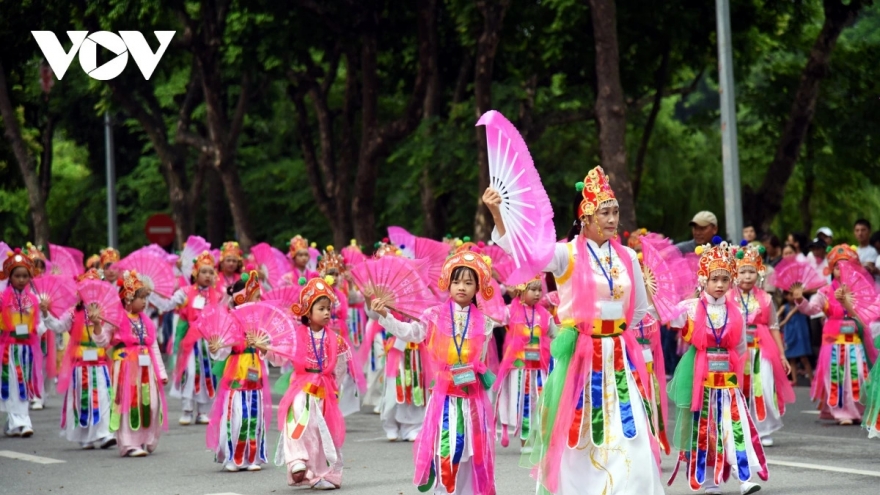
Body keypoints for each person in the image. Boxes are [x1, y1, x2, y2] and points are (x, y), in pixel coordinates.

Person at [487, 166, 662, 495]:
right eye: (604, 213)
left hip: (619, 356)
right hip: (581, 355)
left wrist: (616, 332)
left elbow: (639, 308)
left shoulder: (627, 256)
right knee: (577, 432)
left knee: (632, 429)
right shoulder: (565, 254)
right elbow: (526, 253)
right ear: (585, 216)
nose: (612, 219)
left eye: (615, 212)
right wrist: (498, 214)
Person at [371, 249, 499, 495]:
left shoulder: (485, 322)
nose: (461, 286)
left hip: (472, 398)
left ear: (477, 288)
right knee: (447, 448)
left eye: (468, 282)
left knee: (472, 450)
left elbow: (482, 359)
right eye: (456, 281)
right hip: (445, 397)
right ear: (448, 284)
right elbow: (410, 333)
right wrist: (385, 315)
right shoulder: (433, 316)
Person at [667, 240, 767, 495]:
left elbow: (741, 347)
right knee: (705, 429)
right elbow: (667, 315)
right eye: (715, 279)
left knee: (734, 425)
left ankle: (743, 477)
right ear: (704, 280)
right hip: (701, 378)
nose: (720, 284)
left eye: (725, 279)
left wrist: (731, 366)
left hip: (727, 379)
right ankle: (710, 482)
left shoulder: (735, 312)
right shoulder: (691, 308)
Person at [275, 277, 350, 490]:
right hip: (301, 384)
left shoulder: (335, 339)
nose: (327, 313)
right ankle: (297, 460)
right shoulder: (295, 336)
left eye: (329, 308)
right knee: (297, 413)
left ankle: (323, 474)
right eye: (321, 308)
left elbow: (340, 368)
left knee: (321, 428)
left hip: (325, 387)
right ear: (308, 312)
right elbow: (279, 356)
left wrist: (337, 388)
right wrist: (264, 349)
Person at [793, 244, 878, 425]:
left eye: (846, 265)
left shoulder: (860, 291)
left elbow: (869, 313)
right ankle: (842, 412)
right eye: (838, 266)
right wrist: (800, 299)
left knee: (858, 377)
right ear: (832, 269)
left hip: (855, 341)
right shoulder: (824, 292)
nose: (842, 270)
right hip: (833, 343)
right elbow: (811, 309)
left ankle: (858, 410)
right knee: (837, 378)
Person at [93, 270, 168, 457]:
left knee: (150, 403)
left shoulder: (147, 322)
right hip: (125, 367)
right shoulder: (115, 319)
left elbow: (154, 347)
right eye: (141, 298)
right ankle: (129, 443)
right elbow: (102, 341)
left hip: (146, 368)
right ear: (128, 298)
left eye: (146, 298)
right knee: (128, 404)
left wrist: (162, 373)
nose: (144, 302)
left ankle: (145, 439)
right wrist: (96, 325)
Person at [205, 270, 271, 472]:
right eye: (257, 296)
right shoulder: (230, 320)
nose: (261, 300)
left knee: (255, 414)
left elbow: (268, 348)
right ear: (244, 298)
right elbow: (222, 350)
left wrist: (261, 345)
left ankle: (253, 457)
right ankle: (233, 457)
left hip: (255, 371)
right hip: (236, 373)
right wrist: (216, 348)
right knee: (235, 415)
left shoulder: (261, 322)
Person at [730, 243, 794, 447]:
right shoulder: (728, 297)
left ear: (758, 274)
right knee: (738, 388)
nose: (747, 276)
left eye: (751, 272)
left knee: (764, 387)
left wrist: (782, 356)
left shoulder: (766, 299)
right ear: (735, 273)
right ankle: (737, 428)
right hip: (736, 350)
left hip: (761, 348)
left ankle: (764, 429)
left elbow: (774, 327)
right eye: (743, 271)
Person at [44, 269, 116, 449]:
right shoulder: (71, 313)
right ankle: (85, 436)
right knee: (83, 400)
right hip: (80, 366)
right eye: (86, 289)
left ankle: (104, 433)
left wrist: (99, 323)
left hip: (99, 364)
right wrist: (46, 314)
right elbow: (58, 327)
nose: (91, 294)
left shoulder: (104, 313)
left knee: (103, 397)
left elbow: (105, 340)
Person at [152, 252, 225, 425]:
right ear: (195, 274)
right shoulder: (184, 292)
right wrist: (151, 294)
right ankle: (187, 409)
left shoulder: (218, 295)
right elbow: (166, 305)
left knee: (207, 374)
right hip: (190, 341)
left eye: (210, 272)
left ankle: (202, 411)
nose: (208, 275)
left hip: (208, 341)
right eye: (204, 272)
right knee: (190, 373)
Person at [495, 276, 557, 453]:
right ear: (521, 291)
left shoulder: (545, 314)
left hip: (539, 367)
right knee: (522, 403)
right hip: (519, 367)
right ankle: (524, 440)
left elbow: (555, 333)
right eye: (533, 290)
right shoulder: (510, 311)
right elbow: (493, 319)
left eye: (539, 290)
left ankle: (540, 439)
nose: (538, 294)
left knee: (541, 402)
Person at [0, 250, 44, 437]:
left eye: (25, 276)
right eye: (17, 276)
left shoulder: (34, 300)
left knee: (24, 383)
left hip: (27, 348)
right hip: (9, 348)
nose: (21, 279)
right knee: (11, 383)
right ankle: (20, 422)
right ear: (10, 277)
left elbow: (40, 325)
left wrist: (43, 316)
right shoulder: (2, 298)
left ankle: (17, 422)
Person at [778, 291, 812, 387]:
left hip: (800, 333)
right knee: (791, 357)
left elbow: (789, 316)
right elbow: (776, 315)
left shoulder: (799, 305)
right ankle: (794, 380)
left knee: (803, 357)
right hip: (790, 333)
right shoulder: (784, 307)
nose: (792, 297)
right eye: (789, 295)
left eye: (793, 294)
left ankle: (812, 379)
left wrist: (782, 323)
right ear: (785, 296)